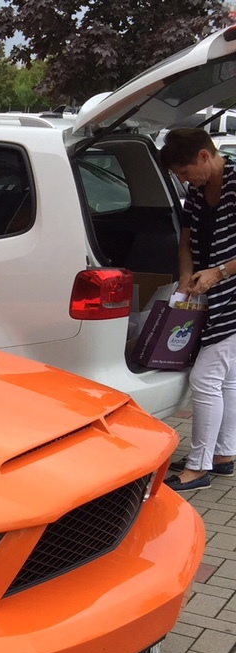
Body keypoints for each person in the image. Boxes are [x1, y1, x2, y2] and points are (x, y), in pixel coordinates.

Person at [160, 127, 236, 491]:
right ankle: (222, 456)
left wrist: (219, 272)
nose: (183, 179)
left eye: (184, 172)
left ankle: (198, 467)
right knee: (227, 379)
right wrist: (187, 277)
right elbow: (186, 242)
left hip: (230, 294)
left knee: (205, 378)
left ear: (205, 156)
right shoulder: (195, 191)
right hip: (208, 293)